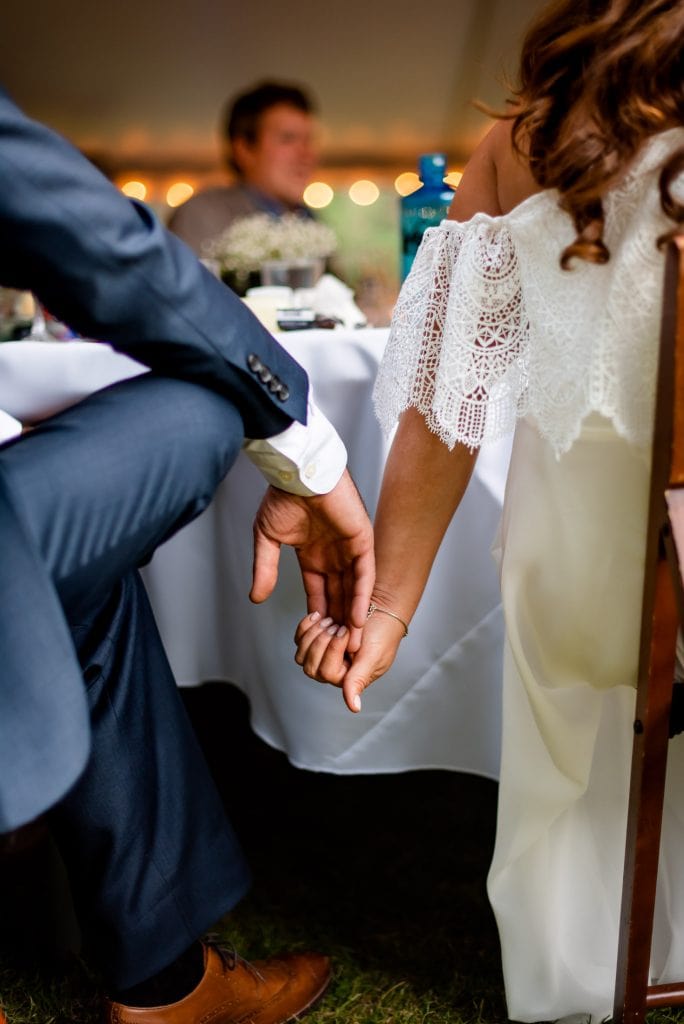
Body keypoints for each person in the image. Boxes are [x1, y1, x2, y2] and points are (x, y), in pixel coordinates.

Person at [294, 1, 684, 1020]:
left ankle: (586, 964)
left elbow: (443, 406)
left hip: (604, 595)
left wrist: (384, 617)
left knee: (579, 664)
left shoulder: (529, 139)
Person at [0, 84, 374, 1024]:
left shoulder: (303, 220)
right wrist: (306, 450)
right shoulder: (215, 211)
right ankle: (163, 976)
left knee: (77, 575)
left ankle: (162, 980)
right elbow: (100, 245)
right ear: (243, 144)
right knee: (202, 405)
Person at [167, 80, 318, 255]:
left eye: (308, 140)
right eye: (288, 139)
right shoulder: (203, 215)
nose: (306, 154)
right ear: (244, 149)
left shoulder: (311, 219)